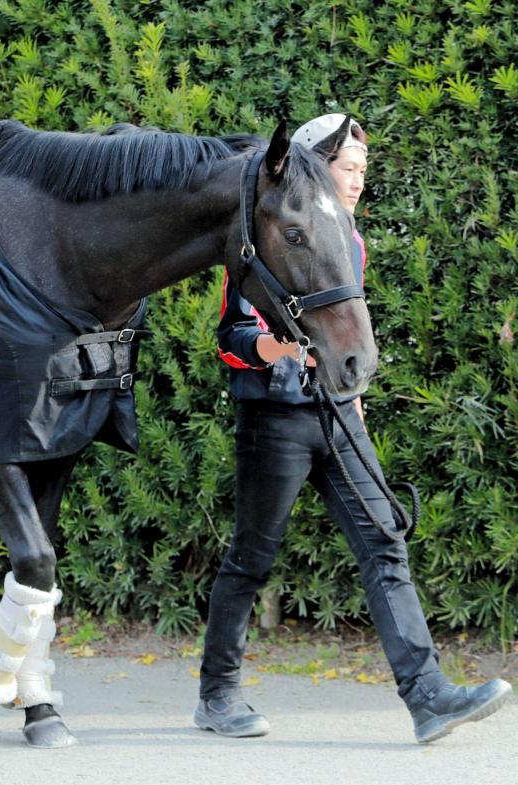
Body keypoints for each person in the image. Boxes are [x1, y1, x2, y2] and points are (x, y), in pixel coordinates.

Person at [193, 113, 512, 744]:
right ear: (313, 167)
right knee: (251, 560)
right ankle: (216, 695)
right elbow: (230, 338)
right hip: (276, 421)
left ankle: (429, 698)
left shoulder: (348, 241)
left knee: (385, 545)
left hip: (338, 419)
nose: (359, 181)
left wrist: (355, 396)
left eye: (364, 170)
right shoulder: (263, 239)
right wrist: (282, 351)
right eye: (348, 168)